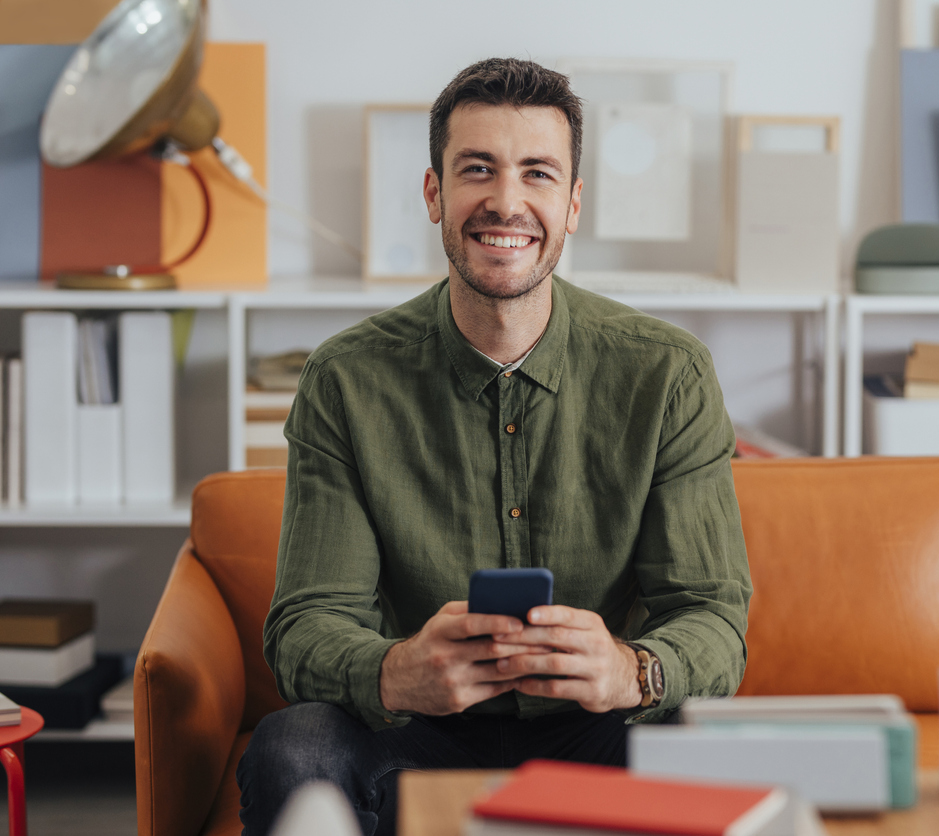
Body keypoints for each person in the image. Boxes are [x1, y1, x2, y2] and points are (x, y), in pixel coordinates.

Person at [237, 57, 752, 836]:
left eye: (537, 173)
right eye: (477, 169)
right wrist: (396, 669)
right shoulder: (346, 379)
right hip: (416, 732)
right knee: (292, 747)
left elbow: (712, 615)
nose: (506, 202)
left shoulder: (668, 374)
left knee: (711, 744)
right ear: (434, 193)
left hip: (600, 731)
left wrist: (630, 670)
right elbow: (307, 625)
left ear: (573, 204)